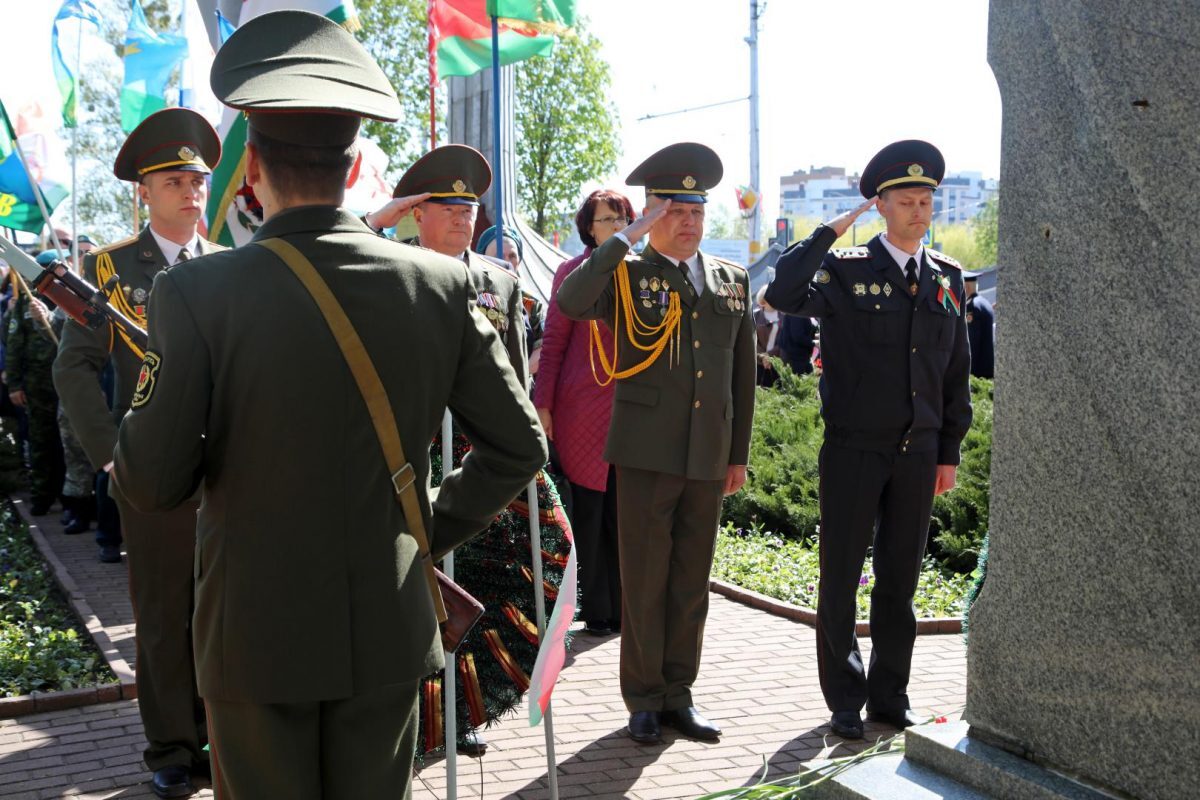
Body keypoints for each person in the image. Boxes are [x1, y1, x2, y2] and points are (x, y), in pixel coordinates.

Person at [113, 11, 546, 798]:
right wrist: (421, 528)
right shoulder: (443, 285)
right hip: (386, 622)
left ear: (249, 172)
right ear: (352, 173)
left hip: (253, 632)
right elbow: (520, 446)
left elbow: (150, 481)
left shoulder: (195, 292)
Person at [764, 140, 972, 740]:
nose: (918, 210)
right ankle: (845, 699)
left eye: (925, 200)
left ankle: (889, 696)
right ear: (879, 206)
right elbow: (783, 293)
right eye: (905, 200)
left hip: (918, 453)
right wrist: (828, 232)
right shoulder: (846, 269)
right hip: (855, 447)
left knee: (900, 581)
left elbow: (954, 373)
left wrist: (948, 451)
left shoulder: (947, 278)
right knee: (841, 577)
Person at [557, 142, 756, 745]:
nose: (689, 223)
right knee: (644, 581)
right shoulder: (626, 273)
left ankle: (679, 694)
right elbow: (571, 300)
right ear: (651, 213)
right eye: (675, 212)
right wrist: (625, 237)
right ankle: (643, 698)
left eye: (697, 212)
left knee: (691, 582)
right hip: (646, 452)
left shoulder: (731, 280)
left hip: (707, 453)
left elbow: (741, 376)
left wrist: (738, 454)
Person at [53, 108, 223, 797]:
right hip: (151, 470)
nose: (190, 192)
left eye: (197, 180)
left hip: (226, 470)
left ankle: (217, 735)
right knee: (161, 616)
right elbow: (73, 367)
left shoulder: (228, 266)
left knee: (221, 610)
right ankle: (172, 746)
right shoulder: (109, 268)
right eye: (174, 181)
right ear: (144, 192)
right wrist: (110, 456)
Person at [534, 189, 635, 636]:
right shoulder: (572, 273)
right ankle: (597, 610)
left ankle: (626, 609)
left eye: (621, 218)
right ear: (588, 229)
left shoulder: (641, 274)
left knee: (625, 511)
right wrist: (543, 404)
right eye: (605, 219)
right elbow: (554, 343)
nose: (615, 226)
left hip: (631, 408)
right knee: (590, 513)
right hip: (581, 410)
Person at [367, 145, 527, 384]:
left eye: (466, 211)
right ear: (418, 216)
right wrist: (373, 222)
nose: (460, 220)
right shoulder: (392, 267)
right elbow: (342, 262)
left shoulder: (504, 281)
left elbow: (516, 373)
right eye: (449, 209)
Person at [6, 257, 64, 516]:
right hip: (37, 384)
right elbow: (14, 344)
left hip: (67, 382)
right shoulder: (26, 302)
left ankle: (70, 498)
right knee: (41, 441)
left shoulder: (69, 298)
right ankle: (42, 496)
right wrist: (14, 384)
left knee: (68, 443)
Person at [964, 271, 994, 378]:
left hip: (978, 371)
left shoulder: (972, 307)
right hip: (988, 367)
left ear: (966, 287)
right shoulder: (985, 303)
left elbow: (972, 342)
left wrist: (968, 371)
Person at [753, 285, 781, 387]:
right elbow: (751, 338)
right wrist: (763, 356)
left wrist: (770, 356)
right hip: (759, 363)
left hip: (778, 363)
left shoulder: (784, 316)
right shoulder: (755, 315)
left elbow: (784, 340)